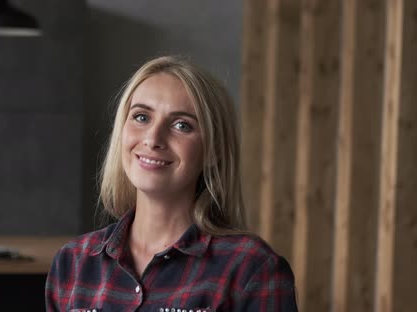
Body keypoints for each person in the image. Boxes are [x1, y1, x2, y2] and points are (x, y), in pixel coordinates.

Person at [45, 56, 298, 311]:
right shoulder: (73, 263)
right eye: (141, 117)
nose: (153, 139)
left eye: (181, 125)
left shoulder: (251, 268)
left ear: (214, 150)